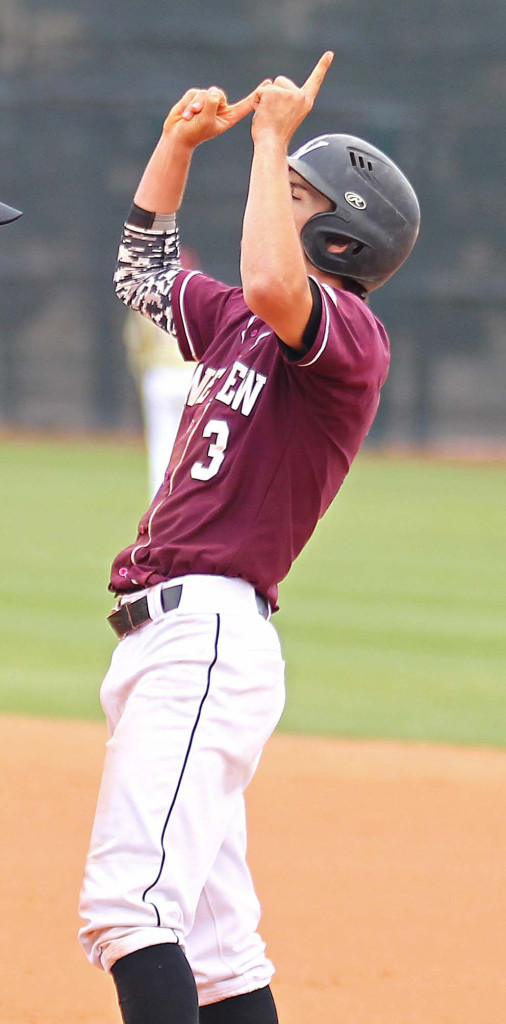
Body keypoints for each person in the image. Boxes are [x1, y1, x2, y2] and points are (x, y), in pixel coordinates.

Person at [79, 52, 420, 1024]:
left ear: (344, 241)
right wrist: (174, 146)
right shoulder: (232, 322)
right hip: (167, 640)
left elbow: (277, 280)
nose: (274, 193)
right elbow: (141, 271)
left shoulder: (347, 337)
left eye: (298, 193)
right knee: (221, 952)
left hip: (208, 637)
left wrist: (270, 137)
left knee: (126, 909)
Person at [123, 246, 200, 498]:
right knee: (195, 442)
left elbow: (136, 343)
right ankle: (189, 496)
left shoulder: (148, 297)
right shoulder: (200, 296)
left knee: (161, 442)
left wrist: (143, 373)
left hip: (160, 376)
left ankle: (160, 499)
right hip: (193, 376)